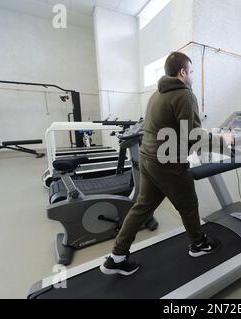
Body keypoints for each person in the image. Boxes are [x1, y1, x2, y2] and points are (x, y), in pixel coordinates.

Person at [100, 52, 233, 276]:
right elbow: (191, 136)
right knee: (188, 205)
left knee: (142, 207)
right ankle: (199, 244)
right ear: (182, 72)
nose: (191, 76)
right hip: (168, 163)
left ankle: (117, 257)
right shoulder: (184, 95)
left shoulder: (156, 94)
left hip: (148, 159)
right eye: (191, 72)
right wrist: (223, 140)